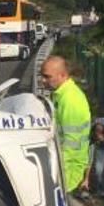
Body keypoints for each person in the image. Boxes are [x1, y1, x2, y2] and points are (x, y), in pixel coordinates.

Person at [40, 55, 91, 194]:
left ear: (63, 75)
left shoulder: (70, 100)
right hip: (63, 165)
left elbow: (71, 142)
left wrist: (56, 167)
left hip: (67, 169)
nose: (42, 81)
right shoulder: (61, 94)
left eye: (47, 76)